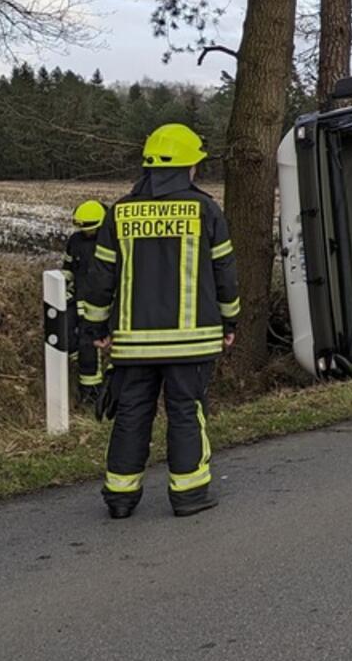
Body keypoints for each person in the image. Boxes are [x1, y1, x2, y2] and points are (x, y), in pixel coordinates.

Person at [82, 123, 240, 518]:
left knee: (132, 412)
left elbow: (100, 278)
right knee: (187, 410)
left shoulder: (119, 212)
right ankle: (189, 496)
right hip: (193, 340)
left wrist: (97, 329)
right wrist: (231, 321)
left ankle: (120, 498)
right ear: (189, 167)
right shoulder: (205, 210)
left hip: (135, 344)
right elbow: (225, 271)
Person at [64, 200, 109, 406]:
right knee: (62, 332)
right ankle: (77, 362)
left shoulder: (109, 241)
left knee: (88, 347)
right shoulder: (75, 240)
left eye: (89, 229)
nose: (85, 233)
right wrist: (62, 287)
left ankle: (92, 395)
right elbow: (68, 267)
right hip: (76, 299)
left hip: (98, 305)